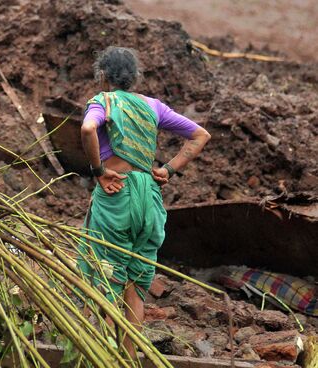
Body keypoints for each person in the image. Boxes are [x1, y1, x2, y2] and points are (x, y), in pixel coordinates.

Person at [77, 46, 211, 357]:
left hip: (117, 196)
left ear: (101, 75)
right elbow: (200, 135)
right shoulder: (154, 107)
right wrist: (168, 169)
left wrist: (99, 171)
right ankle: (127, 359)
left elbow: (87, 128)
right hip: (150, 199)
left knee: (105, 281)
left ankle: (97, 357)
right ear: (136, 77)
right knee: (135, 289)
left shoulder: (103, 102)